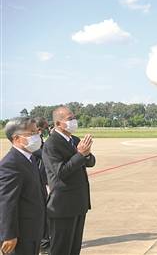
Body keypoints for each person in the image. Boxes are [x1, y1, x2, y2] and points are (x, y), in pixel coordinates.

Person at [42, 106, 96, 255]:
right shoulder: (51, 144)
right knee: (61, 249)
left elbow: (90, 162)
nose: (74, 121)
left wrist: (86, 154)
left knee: (74, 248)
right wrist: (80, 154)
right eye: (69, 119)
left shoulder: (74, 140)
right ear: (58, 124)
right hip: (62, 206)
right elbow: (61, 172)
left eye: (74, 117)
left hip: (78, 203)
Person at [0, 117, 46, 255]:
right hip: (21, 234)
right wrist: (8, 235)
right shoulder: (10, 165)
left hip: (33, 229)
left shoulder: (29, 157)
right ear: (16, 138)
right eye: (31, 133)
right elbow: (6, 203)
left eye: (37, 132)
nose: (37, 136)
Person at [33, 117, 51, 253]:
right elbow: (44, 154)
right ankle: (44, 245)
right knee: (42, 213)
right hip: (37, 183)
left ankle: (44, 242)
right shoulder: (32, 143)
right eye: (42, 129)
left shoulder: (39, 141)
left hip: (42, 181)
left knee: (44, 213)